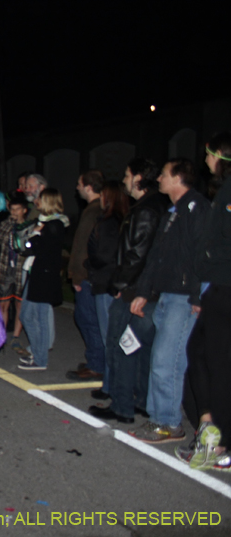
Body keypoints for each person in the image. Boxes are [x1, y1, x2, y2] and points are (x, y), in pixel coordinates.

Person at [125, 159, 208, 444]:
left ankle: (169, 423)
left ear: (177, 178)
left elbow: (203, 255)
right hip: (166, 296)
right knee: (161, 360)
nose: (158, 178)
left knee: (167, 361)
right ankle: (158, 417)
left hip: (183, 298)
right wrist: (144, 291)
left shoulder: (197, 209)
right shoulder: (173, 211)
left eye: (163, 174)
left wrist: (198, 296)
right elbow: (156, 257)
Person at [88, 159, 167, 424]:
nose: (124, 180)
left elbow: (136, 255)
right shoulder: (156, 206)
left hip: (135, 291)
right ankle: (142, 401)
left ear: (139, 178)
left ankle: (122, 406)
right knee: (142, 349)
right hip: (149, 291)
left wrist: (118, 285)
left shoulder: (145, 210)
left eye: (127, 174)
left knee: (121, 347)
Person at [181, 132, 231, 470]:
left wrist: (208, 258)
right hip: (219, 285)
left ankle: (222, 443)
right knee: (200, 354)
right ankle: (209, 426)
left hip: (225, 285)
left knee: (218, 363)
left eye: (209, 154)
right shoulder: (222, 191)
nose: (206, 160)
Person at [84, 181, 129, 398]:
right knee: (113, 337)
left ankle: (111, 387)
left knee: (109, 337)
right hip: (111, 282)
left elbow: (105, 255)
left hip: (106, 283)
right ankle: (113, 384)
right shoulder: (121, 220)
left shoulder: (109, 223)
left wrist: (90, 263)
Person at [17, 188, 69, 371]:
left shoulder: (55, 224)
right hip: (38, 273)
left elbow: (39, 248)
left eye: (40, 199)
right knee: (27, 315)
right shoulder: (47, 223)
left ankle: (40, 358)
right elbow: (29, 247)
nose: (37, 201)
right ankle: (38, 353)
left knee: (39, 317)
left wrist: (36, 235)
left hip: (45, 276)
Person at [66, 170, 104, 381]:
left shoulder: (93, 212)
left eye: (80, 184)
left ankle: (97, 364)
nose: (77, 188)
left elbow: (83, 248)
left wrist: (77, 275)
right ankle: (95, 359)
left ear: (89, 187)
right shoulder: (94, 209)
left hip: (87, 277)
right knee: (88, 318)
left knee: (88, 319)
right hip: (89, 275)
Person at [0, 194, 34, 353]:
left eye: (18, 210)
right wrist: (10, 222)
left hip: (20, 269)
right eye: (12, 209)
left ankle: (16, 337)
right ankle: (2, 336)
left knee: (19, 304)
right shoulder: (7, 224)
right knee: (3, 303)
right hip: (5, 270)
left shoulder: (30, 227)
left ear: (24, 210)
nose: (14, 212)